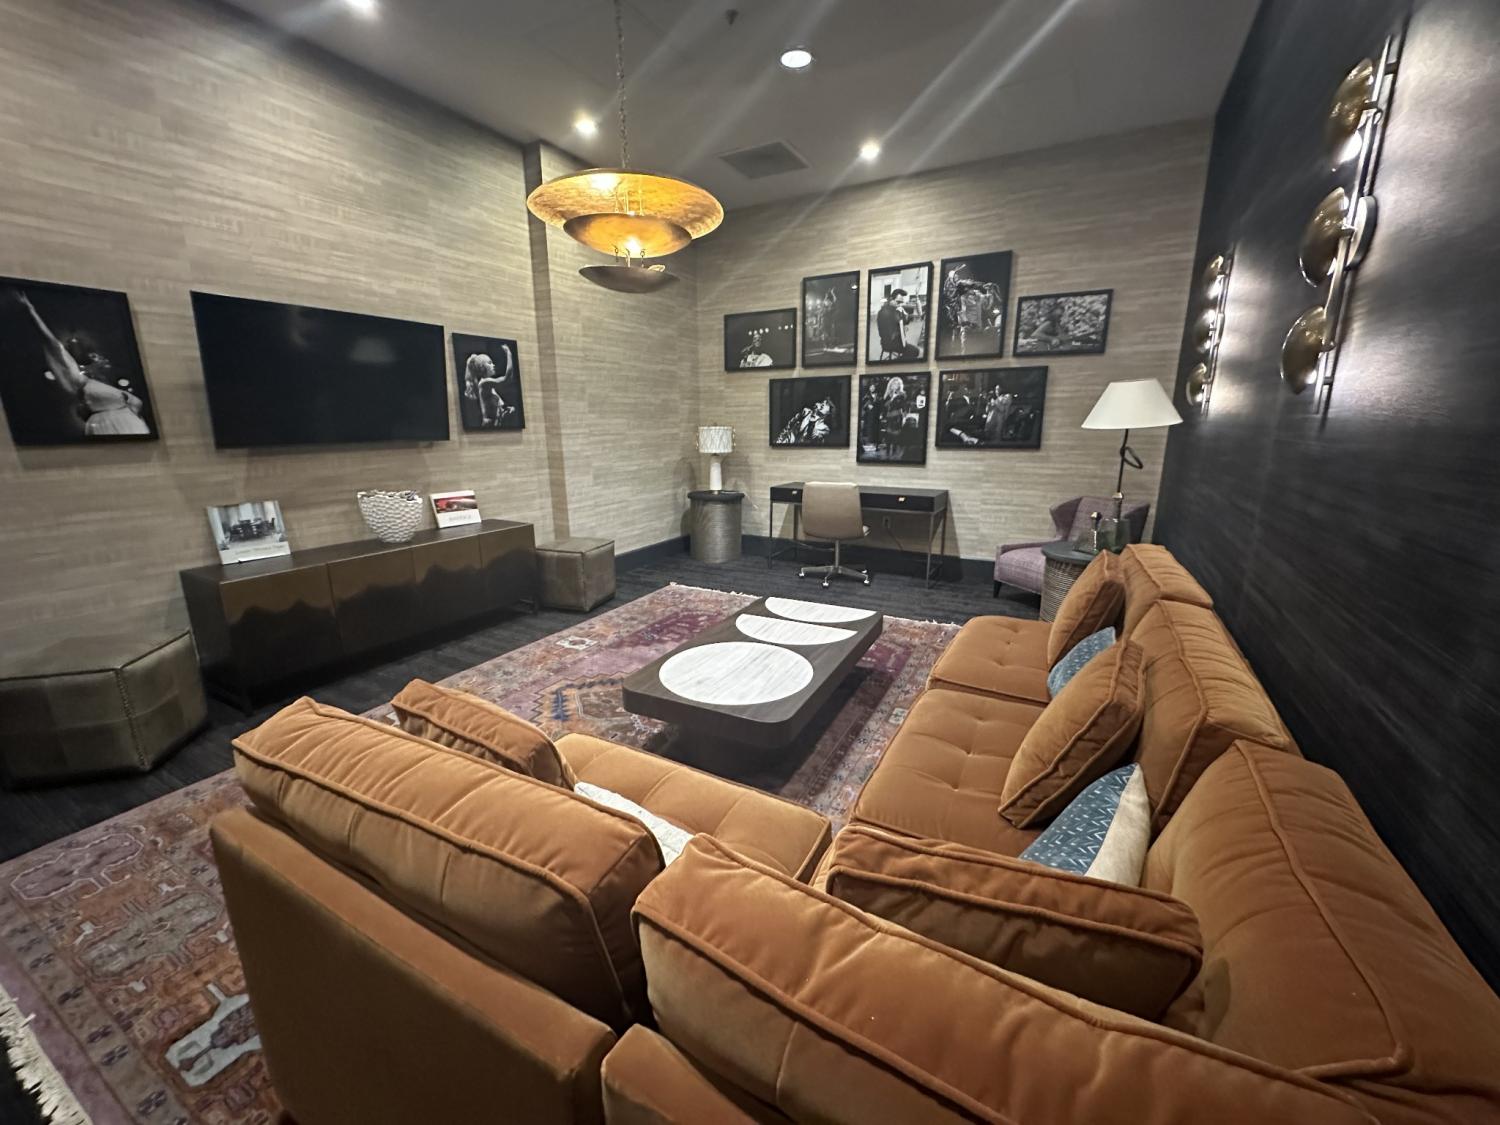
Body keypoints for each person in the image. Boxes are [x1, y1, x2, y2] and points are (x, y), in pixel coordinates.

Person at [7, 288, 148, 436]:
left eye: (99, 357)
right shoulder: (82, 381)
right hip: (108, 427)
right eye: (94, 357)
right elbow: (54, 346)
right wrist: (31, 311)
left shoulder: (112, 385)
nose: (100, 359)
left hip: (133, 426)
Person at [463, 347, 517, 427]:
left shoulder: (490, 387)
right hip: (490, 427)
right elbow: (507, 379)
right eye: (489, 363)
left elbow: (497, 408)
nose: (493, 365)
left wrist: (507, 409)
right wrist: (509, 353)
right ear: (482, 367)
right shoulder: (484, 383)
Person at [875, 288, 919, 361]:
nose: (899, 304)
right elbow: (889, 331)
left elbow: (902, 322)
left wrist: (903, 324)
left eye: (901, 302)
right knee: (915, 351)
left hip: (886, 342)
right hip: (891, 343)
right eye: (898, 302)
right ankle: (894, 362)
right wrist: (901, 327)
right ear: (891, 299)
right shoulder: (890, 312)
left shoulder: (888, 310)